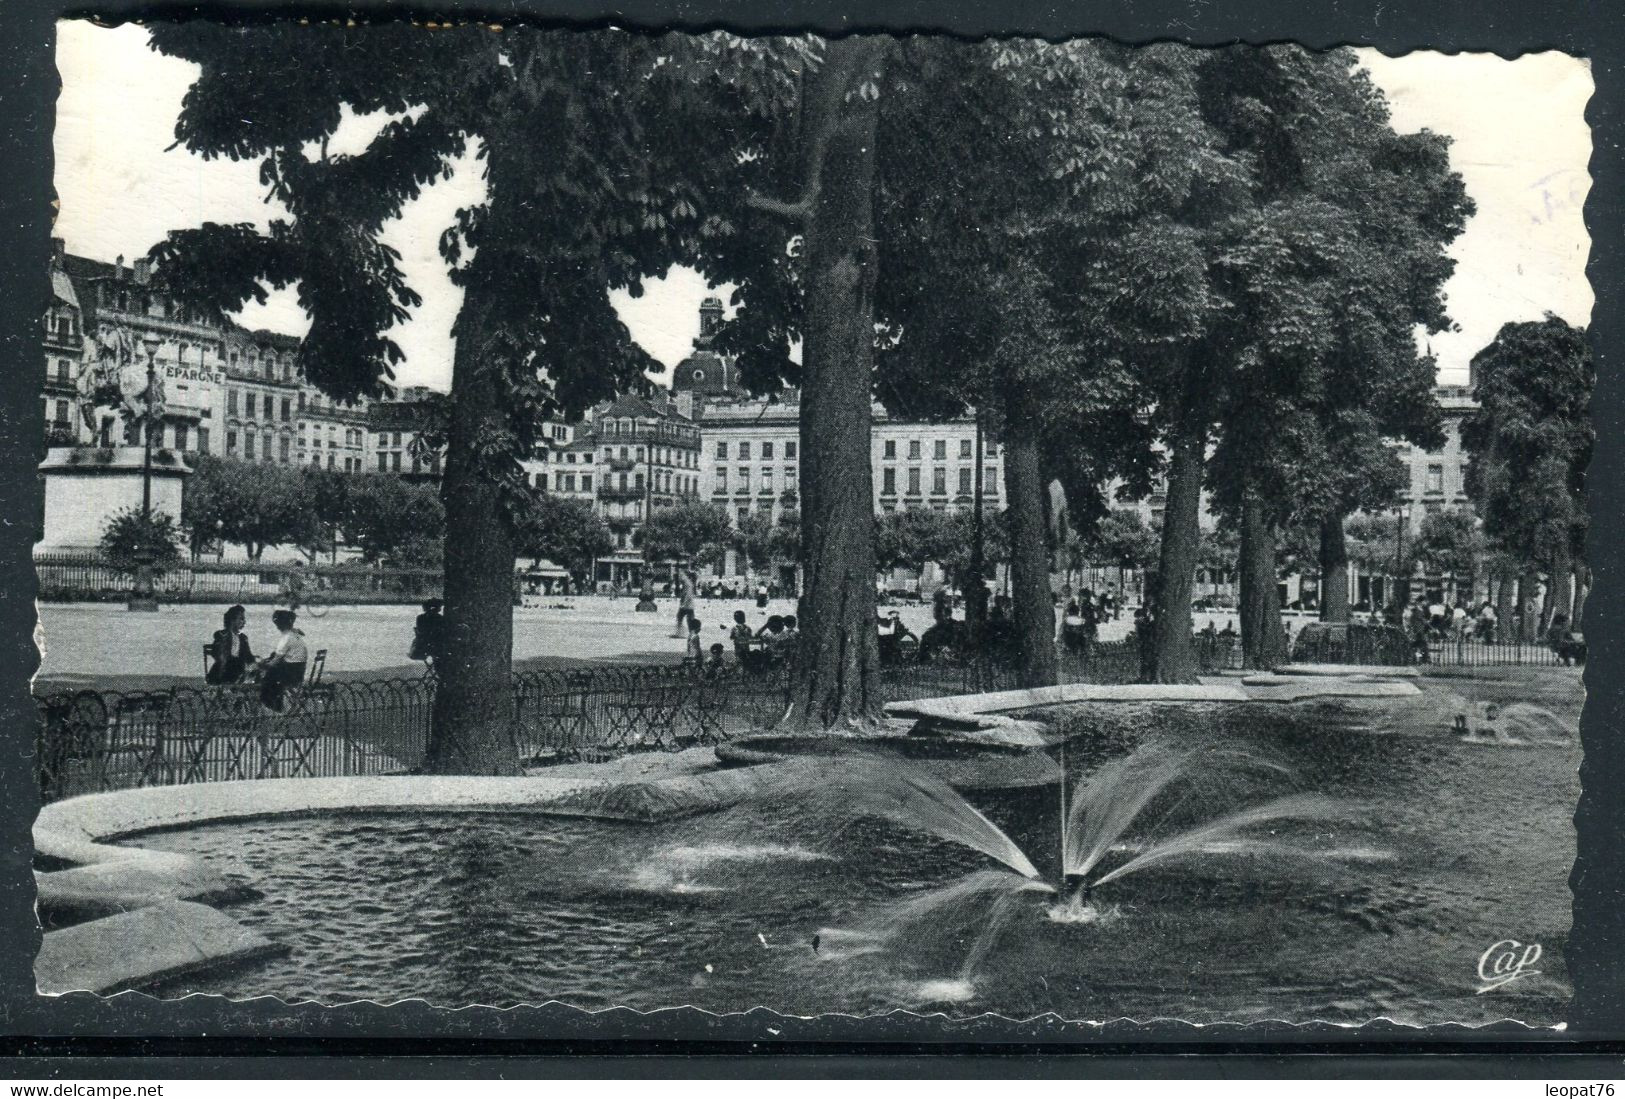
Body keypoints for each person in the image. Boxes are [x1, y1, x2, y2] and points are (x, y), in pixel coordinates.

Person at [258, 609, 309, 713]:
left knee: (268, 677)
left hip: (290, 674)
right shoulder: (296, 635)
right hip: (299, 671)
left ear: (279, 625)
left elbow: (275, 661)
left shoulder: (286, 638)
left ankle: (273, 704)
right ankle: (275, 704)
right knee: (273, 659)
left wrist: (262, 665)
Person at [206, 604, 255, 685]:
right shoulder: (222, 634)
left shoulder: (243, 638)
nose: (244, 622)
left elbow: (248, 656)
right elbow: (217, 653)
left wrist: (255, 661)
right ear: (232, 620)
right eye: (241, 619)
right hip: (224, 670)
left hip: (238, 669)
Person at [410, 599, 447, 668]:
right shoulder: (440, 618)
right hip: (433, 645)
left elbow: (420, 631)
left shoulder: (420, 618)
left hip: (422, 645)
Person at [672, 571, 695, 638]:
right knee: (685, 618)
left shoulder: (687, 584)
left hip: (687, 605)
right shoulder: (686, 583)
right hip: (688, 605)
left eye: (681, 576)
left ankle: (681, 633)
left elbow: (688, 595)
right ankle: (683, 633)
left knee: (683, 618)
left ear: (685, 576)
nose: (680, 577)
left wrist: (684, 603)